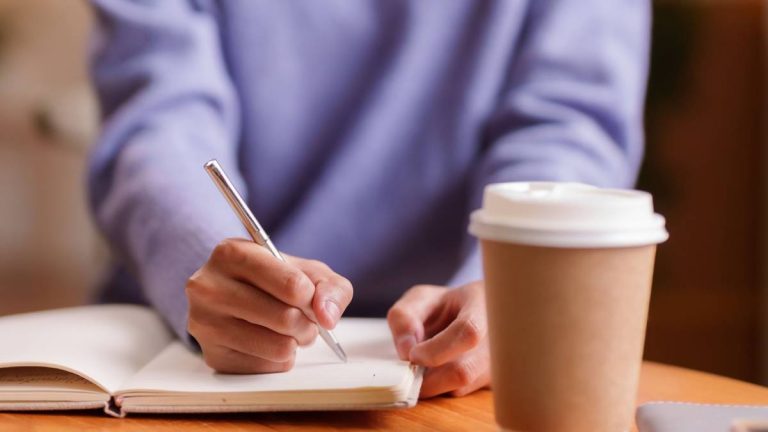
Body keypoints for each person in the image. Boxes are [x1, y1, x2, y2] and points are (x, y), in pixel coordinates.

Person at [87, 0, 649, 398]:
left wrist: (509, 281)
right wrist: (209, 254)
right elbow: (159, 120)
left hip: (456, 348)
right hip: (185, 333)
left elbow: (569, 124)